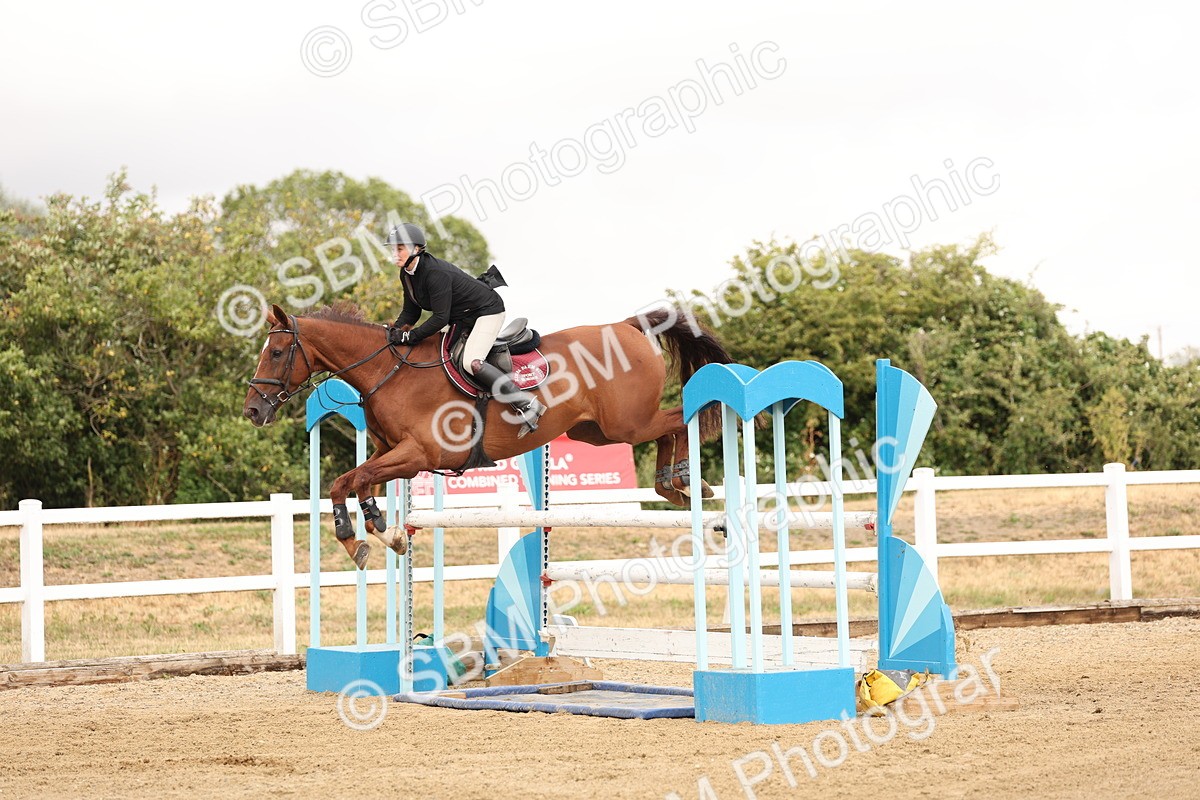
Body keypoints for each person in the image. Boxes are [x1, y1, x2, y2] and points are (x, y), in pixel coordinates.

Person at [385, 223, 546, 435]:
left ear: (416, 249)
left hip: (487, 311)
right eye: (393, 249)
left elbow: (441, 317)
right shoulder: (407, 274)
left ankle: (526, 403)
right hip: (463, 316)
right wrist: (393, 331)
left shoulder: (434, 272)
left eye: (400, 248)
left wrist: (410, 336)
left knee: (473, 363)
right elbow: (410, 313)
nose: (395, 254)